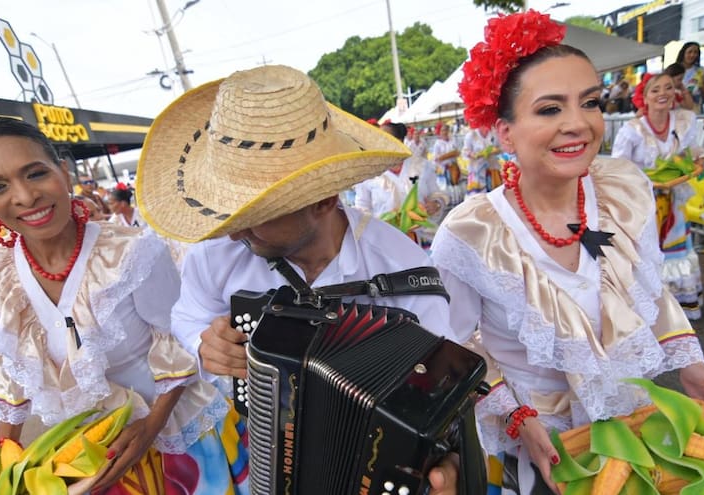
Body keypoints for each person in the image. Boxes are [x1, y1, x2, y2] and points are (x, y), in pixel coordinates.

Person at [432, 10, 704, 494]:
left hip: (635, 416)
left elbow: (647, 290)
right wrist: (518, 421)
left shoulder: (623, 188)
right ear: (505, 131)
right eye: (550, 109)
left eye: (591, 102)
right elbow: (452, 347)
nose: (577, 124)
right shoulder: (473, 232)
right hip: (546, 440)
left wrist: (690, 364)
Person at [135, 64, 462, 494]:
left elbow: (438, 391)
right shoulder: (215, 256)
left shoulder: (401, 269)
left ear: (324, 200)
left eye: (257, 218)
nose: (235, 231)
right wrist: (203, 341)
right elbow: (189, 313)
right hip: (263, 448)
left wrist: (445, 456)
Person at [0, 117, 247, 494]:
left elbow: (179, 340)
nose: (25, 197)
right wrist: (1, 458)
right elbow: (13, 364)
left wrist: (149, 428)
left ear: (62, 169)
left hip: (178, 438)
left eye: (36, 173)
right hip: (84, 456)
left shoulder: (131, 253)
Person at [612, 71, 704, 320]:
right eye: (655, 90)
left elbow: (692, 150)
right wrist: (646, 183)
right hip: (643, 202)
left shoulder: (684, 120)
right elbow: (619, 167)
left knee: (674, 249)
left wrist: (698, 159)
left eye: (667, 87)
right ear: (643, 97)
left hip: (674, 198)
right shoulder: (632, 130)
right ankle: (646, 305)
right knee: (646, 250)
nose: (662, 94)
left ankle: (677, 306)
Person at [353, 121, 449, 247]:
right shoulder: (368, 174)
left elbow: (436, 193)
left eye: (384, 139)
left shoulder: (421, 166)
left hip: (420, 239)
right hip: (385, 242)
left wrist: (436, 204)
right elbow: (362, 206)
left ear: (399, 141)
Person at [462, 125, 500, 194]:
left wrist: (495, 150)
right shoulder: (471, 135)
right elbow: (465, 151)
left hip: (493, 168)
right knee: (478, 197)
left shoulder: (494, 133)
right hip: (476, 171)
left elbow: (500, 147)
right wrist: (472, 154)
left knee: (495, 194)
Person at [676, 41, 704, 106]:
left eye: (695, 52)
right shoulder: (674, 69)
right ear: (683, 53)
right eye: (690, 52)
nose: (692, 55)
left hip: (696, 104)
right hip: (679, 103)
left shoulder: (700, 70)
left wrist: (702, 82)